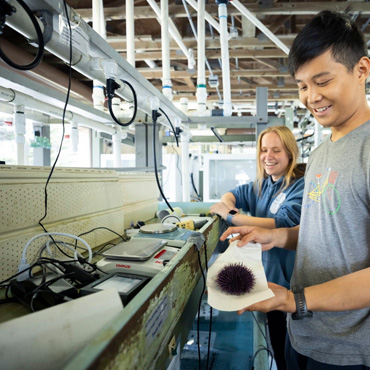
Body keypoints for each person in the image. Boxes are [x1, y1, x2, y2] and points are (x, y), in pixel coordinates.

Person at [221, 10, 370, 370]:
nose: (311, 96)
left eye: (322, 81)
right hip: (303, 335)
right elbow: (328, 231)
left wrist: (293, 299)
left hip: (349, 349)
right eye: (302, 85)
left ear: (362, 70)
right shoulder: (320, 154)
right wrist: (277, 238)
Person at [210, 125, 305, 370]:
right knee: (279, 349)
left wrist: (230, 216)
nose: (268, 156)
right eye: (264, 150)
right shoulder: (263, 185)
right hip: (268, 283)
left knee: (295, 353)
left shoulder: (299, 186)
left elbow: (280, 223)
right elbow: (231, 194)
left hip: (291, 286)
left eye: (276, 150)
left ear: (290, 153)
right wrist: (228, 206)